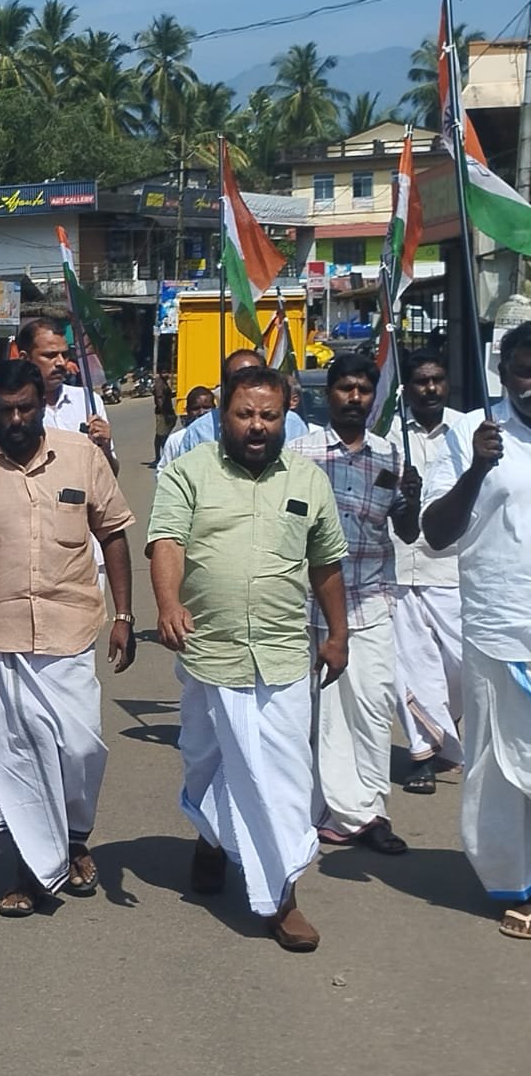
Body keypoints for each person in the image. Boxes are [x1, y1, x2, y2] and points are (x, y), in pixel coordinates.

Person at [148, 364, 350, 951]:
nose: (257, 426)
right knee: (205, 762)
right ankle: (213, 839)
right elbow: (167, 542)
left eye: (269, 415)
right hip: (209, 651)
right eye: (245, 414)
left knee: (282, 780)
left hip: (285, 653)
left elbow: (327, 563)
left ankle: (281, 895)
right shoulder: (189, 472)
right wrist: (167, 604)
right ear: (223, 415)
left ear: (286, 413)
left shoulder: (310, 479)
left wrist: (337, 634)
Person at [0, 360, 137, 916]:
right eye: (6, 410)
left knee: (80, 747)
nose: (17, 418)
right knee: (16, 758)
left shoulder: (82, 457)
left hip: (69, 633)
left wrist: (125, 615)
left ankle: (73, 836)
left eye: (27, 407)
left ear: (43, 405)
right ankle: (30, 870)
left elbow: (113, 533)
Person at [422, 320, 531, 939]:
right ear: (505, 374)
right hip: (500, 628)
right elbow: (436, 533)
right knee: (505, 765)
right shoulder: (472, 437)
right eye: (524, 369)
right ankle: (518, 881)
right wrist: (476, 472)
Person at [288, 352, 418, 856]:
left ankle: (368, 813)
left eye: (364, 389)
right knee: (311, 714)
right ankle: (316, 811)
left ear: (373, 397)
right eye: (346, 388)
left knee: (370, 706)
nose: (355, 398)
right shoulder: (299, 453)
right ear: (331, 393)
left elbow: (406, 530)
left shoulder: (390, 458)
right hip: (303, 603)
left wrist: (414, 500)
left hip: (369, 599)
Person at [390, 350, 467, 793]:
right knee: (413, 665)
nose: (430, 388)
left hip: (453, 567)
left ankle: (444, 727)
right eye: (421, 381)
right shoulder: (391, 433)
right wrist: (396, 490)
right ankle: (422, 753)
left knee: (460, 664)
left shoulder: (469, 431)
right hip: (400, 565)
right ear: (409, 387)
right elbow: (378, 484)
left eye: (437, 380)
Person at [156, 349, 310, 474]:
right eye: (243, 415)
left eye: (254, 379)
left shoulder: (293, 425)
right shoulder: (199, 432)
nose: (257, 426)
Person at [16, 317, 117, 475]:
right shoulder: (2, 411)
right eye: (50, 355)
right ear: (24, 358)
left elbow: (110, 476)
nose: (61, 363)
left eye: (65, 355)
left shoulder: (89, 401)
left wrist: (105, 447)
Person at [153, 370, 177, 460]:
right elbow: (159, 399)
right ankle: (164, 456)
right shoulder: (159, 384)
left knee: (161, 434)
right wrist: (165, 414)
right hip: (163, 412)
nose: (167, 374)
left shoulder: (164, 382)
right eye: (164, 372)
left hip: (167, 411)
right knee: (162, 435)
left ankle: (160, 456)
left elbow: (167, 395)